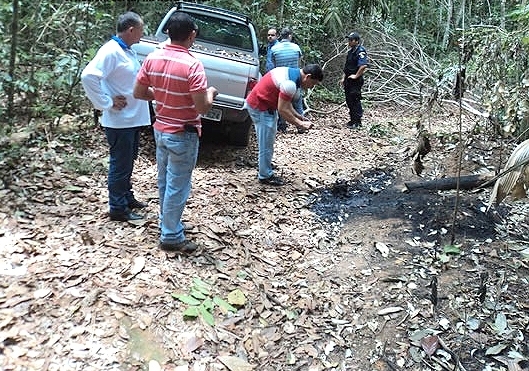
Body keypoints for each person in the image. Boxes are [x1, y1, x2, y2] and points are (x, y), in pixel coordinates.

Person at [133, 12, 218, 253]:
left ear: (168, 32)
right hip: (184, 132)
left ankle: (167, 223)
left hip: (161, 129)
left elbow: (139, 92)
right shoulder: (193, 65)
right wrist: (211, 92)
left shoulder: (152, 58)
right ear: (192, 36)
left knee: (165, 181)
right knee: (178, 185)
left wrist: (160, 95)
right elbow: (202, 106)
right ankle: (171, 235)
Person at [81, 11, 150, 222]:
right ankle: (117, 208)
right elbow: (89, 76)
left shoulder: (127, 51)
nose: (142, 33)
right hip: (120, 121)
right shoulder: (110, 51)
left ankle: (126, 197)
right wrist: (106, 103)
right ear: (131, 30)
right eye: (141, 29)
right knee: (120, 164)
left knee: (128, 161)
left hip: (133, 118)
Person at [245, 64, 324, 186]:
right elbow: (282, 110)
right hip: (260, 107)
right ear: (308, 77)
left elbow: (287, 105)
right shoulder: (289, 84)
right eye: (312, 84)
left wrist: (299, 116)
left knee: (269, 140)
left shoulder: (292, 75)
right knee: (266, 143)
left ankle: (265, 165)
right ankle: (265, 176)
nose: (310, 87)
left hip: (266, 106)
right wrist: (300, 124)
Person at [270, 27, 304, 133]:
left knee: (282, 102)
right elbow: (299, 62)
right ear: (290, 36)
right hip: (294, 79)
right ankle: (301, 125)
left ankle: (282, 125)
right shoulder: (296, 48)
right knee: (298, 102)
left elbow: (273, 64)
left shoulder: (274, 49)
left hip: (281, 80)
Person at [342, 32, 368, 129]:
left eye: (351, 40)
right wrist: (343, 77)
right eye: (348, 39)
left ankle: (357, 121)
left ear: (356, 41)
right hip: (348, 79)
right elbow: (347, 67)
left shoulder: (360, 51)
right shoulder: (350, 52)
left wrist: (356, 76)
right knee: (349, 100)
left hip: (355, 81)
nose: (349, 42)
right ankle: (352, 120)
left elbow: (363, 65)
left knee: (355, 100)